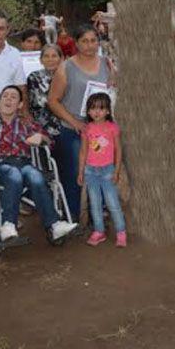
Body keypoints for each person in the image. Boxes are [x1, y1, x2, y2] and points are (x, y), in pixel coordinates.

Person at [0, 85, 78, 243]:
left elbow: (49, 140)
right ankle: (8, 225)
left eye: (13, 97)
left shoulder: (25, 122)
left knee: (35, 175)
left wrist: (40, 137)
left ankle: (54, 225)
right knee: (13, 174)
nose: (8, 99)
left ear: (20, 104)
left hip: (23, 164)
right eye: (5, 96)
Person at [47, 24, 111, 223]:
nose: (89, 45)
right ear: (76, 43)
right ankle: (71, 215)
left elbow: (113, 90)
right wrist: (74, 121)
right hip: (72, 129)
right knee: (76, 172)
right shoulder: (66, 67)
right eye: (84, 41)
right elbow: (53, 101)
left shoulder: (107, 64)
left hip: (98, 129)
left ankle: (97, 214)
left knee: (100, 171)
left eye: (93, 41)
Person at [78, 92, 126, 248]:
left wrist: (117, 170)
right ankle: (99, 231)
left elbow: (118, 150)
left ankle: (121, 232)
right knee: (95, 203)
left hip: (107, 171)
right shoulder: (87, 129)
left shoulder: (113, 128)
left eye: (101, 108)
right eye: (92, 109)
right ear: (88, 111)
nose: (96, 112)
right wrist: (81, 172)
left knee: (112, 203)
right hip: (90, 171)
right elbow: (83, 151)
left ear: (107, 111)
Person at [27, 44, 64, 142]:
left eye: (54, 56)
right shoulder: (34, 78)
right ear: (41, 60)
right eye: (46, 56)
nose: (50, 59)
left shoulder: (68, 77)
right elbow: (32, 104)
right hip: (40, 128)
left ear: (61, 59)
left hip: (65, 127)